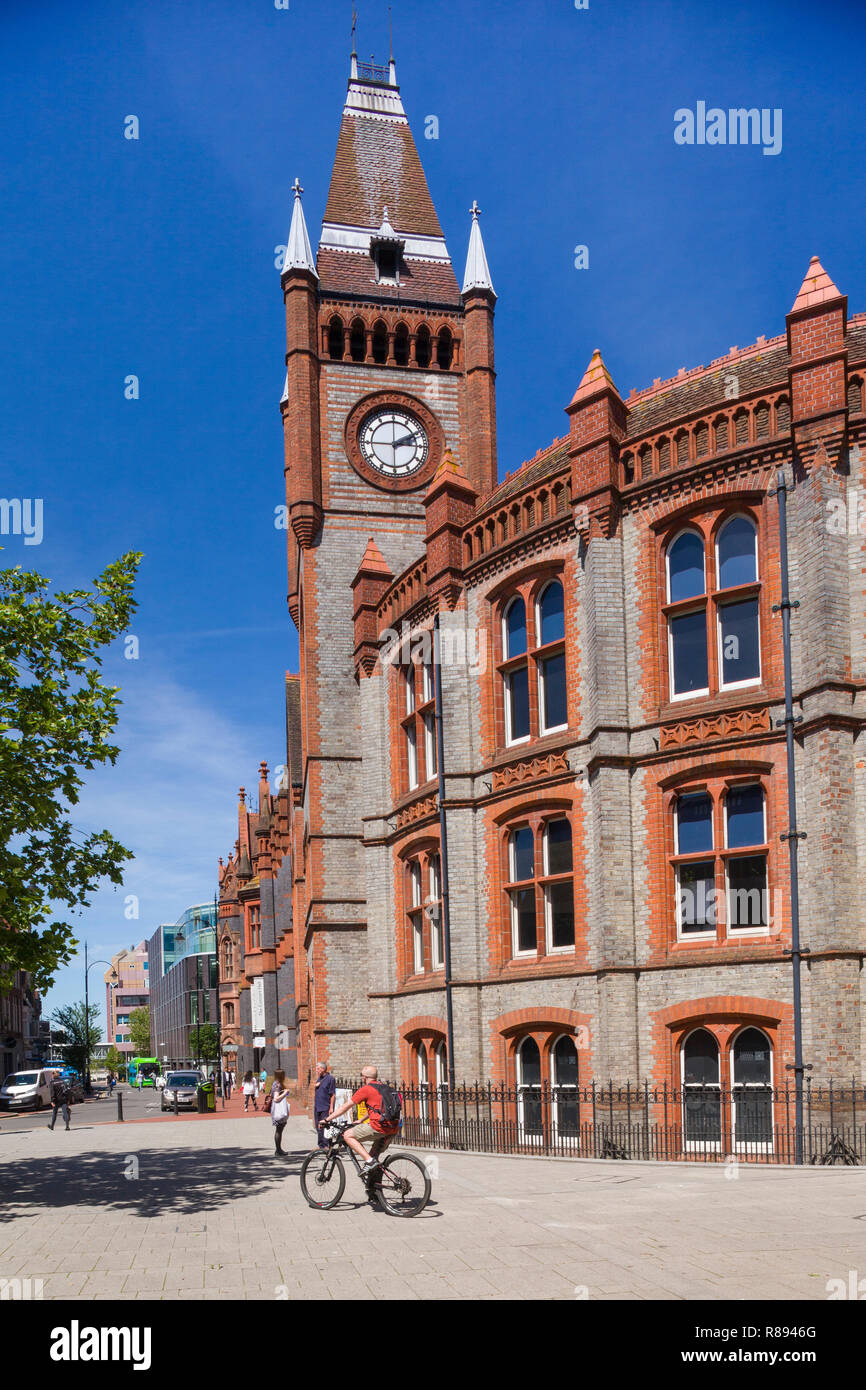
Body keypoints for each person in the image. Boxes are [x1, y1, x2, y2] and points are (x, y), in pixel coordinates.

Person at [324, 1065, 399, 1175]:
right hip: (393, 1128)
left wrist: (327, 1119)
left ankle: (369, 1162)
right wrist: (361, 1120)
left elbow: (345, 1107)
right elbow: (380, 1109)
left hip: (378, 1127)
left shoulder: (366, 1089)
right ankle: (374, 1188)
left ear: (364, 1077)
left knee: (347, 1135)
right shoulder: (386, 1088)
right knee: (374, 1159)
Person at [313, 1062, 336, 1150]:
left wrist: (331, 1107)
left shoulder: (330, 1079)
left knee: (325, 1126)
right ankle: (320, 1145)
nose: (317, 1070)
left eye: (318, 1069)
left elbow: (333, 1094)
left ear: (323, 1069)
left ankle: (326, 1145)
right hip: (317, 1106)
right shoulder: (319, 1078)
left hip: (325, 1106)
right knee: (318, 1126)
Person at [270, 1070, 291, 1155]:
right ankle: (278, 1150)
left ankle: (278, 1149)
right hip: (278, 1110)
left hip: (278, 1109)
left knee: (279, 1129)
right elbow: (276, 1098)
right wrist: (285, 1093)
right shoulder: (277, 1085)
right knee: (279, 1129)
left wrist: (285, 1093)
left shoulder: (277, 1083)